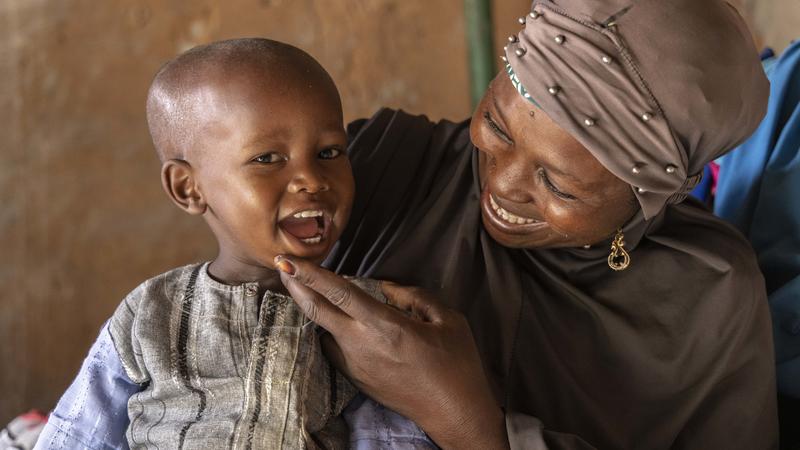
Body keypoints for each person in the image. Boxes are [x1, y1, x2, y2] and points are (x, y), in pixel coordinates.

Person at [273, 0, 780, 448]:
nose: (503, 185)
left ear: (648, 200)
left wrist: (469, 425)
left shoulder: (710, 300)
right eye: (496, 125)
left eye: (559, 186)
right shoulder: (386, 162)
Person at [35, 38, 379, 449]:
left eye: (329, 151)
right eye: (267, 158)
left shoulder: (361, 319)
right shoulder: (151, 312)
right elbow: (78, 435)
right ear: (188, 187)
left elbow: (388, 435)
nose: (312, 178)